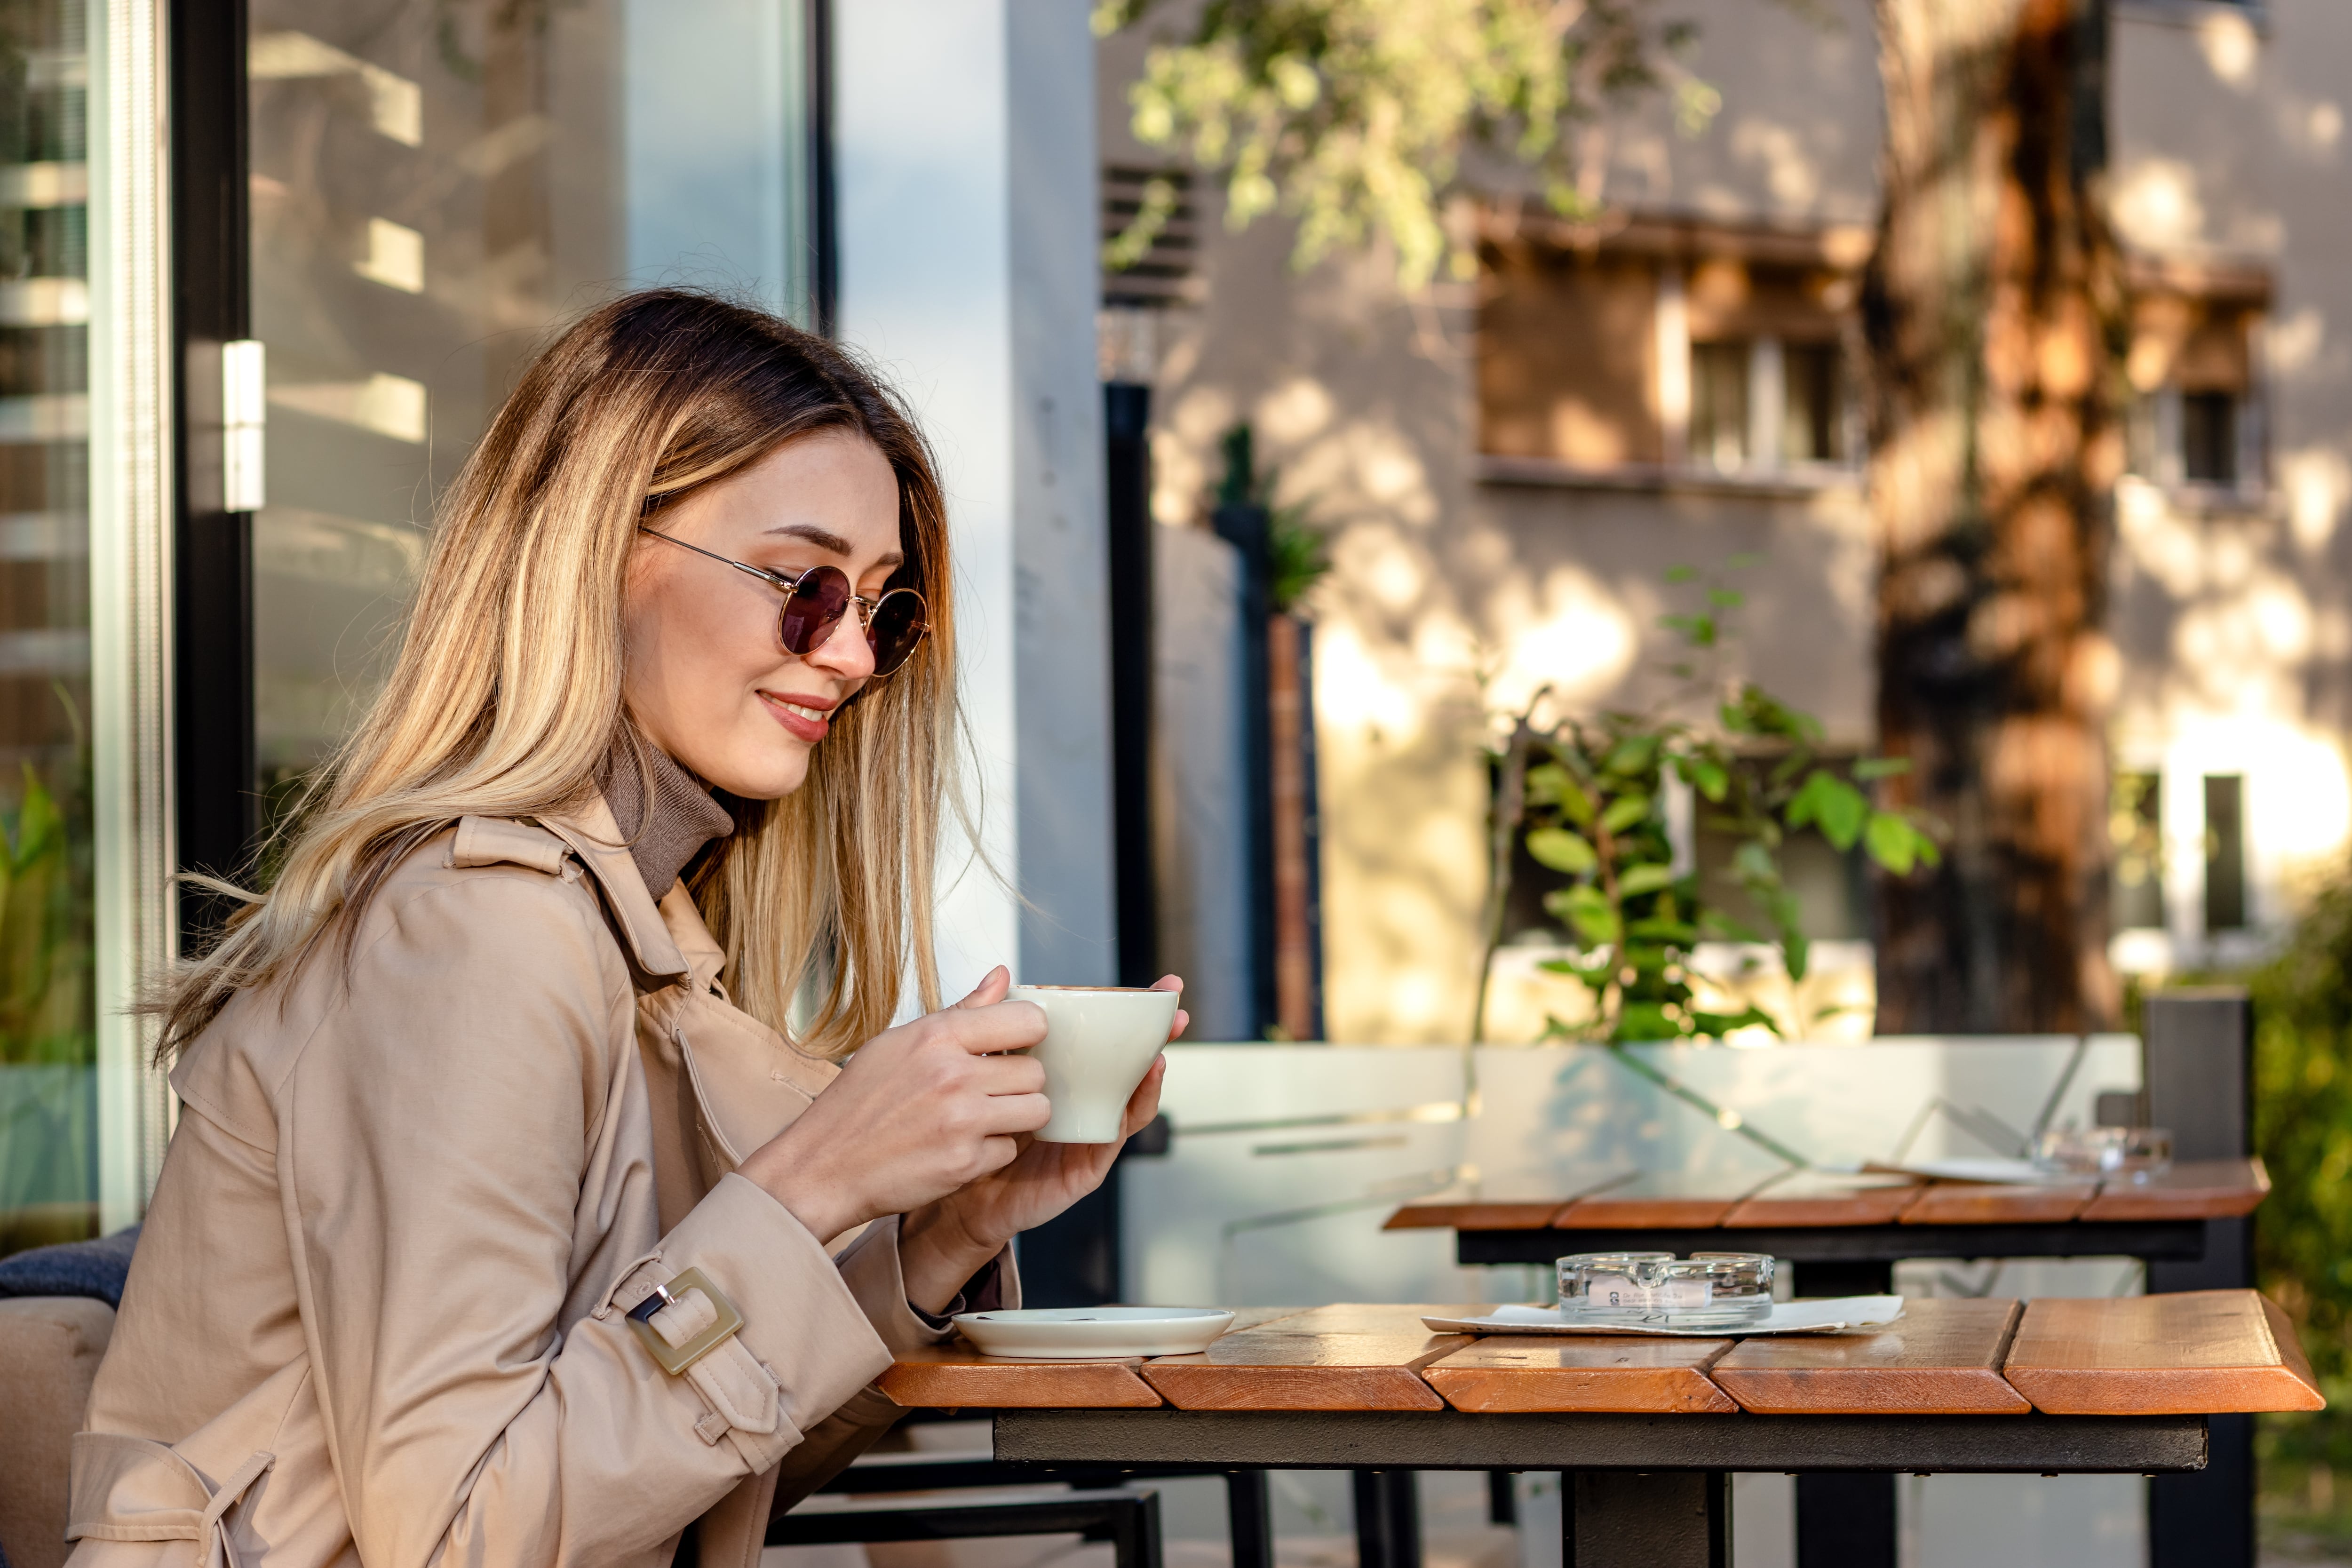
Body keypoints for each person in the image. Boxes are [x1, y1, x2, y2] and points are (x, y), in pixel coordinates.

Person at [64, 291, 1184, 1568]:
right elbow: (460, 1538)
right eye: (804, 585)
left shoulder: (631, 943)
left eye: (883, 608)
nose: (857, 658)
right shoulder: (477, 934)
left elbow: (669, 1479)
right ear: (601, 551)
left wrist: (941, 1236)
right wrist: (812, 1181)